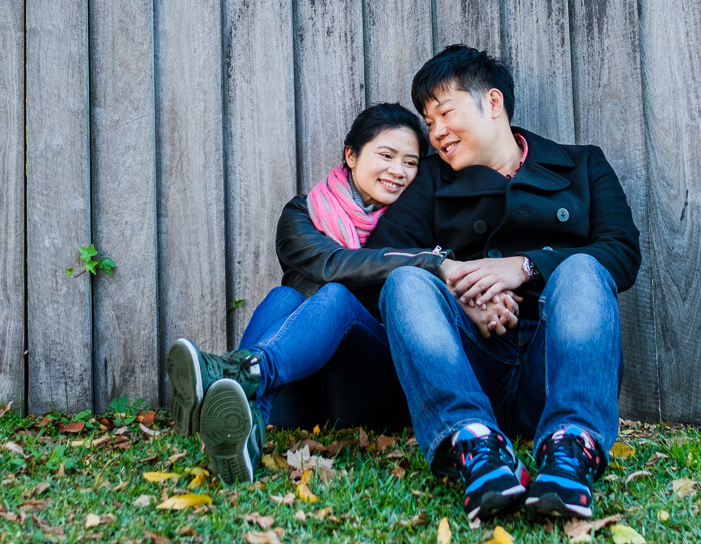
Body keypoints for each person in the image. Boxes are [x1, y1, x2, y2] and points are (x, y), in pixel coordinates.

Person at [166, 102, 519, 483]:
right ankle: (248, 417)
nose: (398, 172)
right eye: (386, 155)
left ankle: (238, 375)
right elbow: (332, 264)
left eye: (411, 162)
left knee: (336, 298)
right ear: (351, 155)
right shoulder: (304, 215)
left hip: (377, 389)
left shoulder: (417, 221)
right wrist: (431, 262)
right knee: (285, 299)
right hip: (306, 391)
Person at [368, 45, 640, 522]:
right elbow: (382, 256)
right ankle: (474, 444)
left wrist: (525, 266)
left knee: (581, 267)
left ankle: (572, 450)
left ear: (493, 103)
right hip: (471, 365)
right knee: (405, 283)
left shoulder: (582, 166)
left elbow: (622, 251)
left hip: (552, 365)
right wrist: (461, 294)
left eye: (445, 114)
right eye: (428, 123)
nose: (437, 133)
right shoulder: (431, 180)